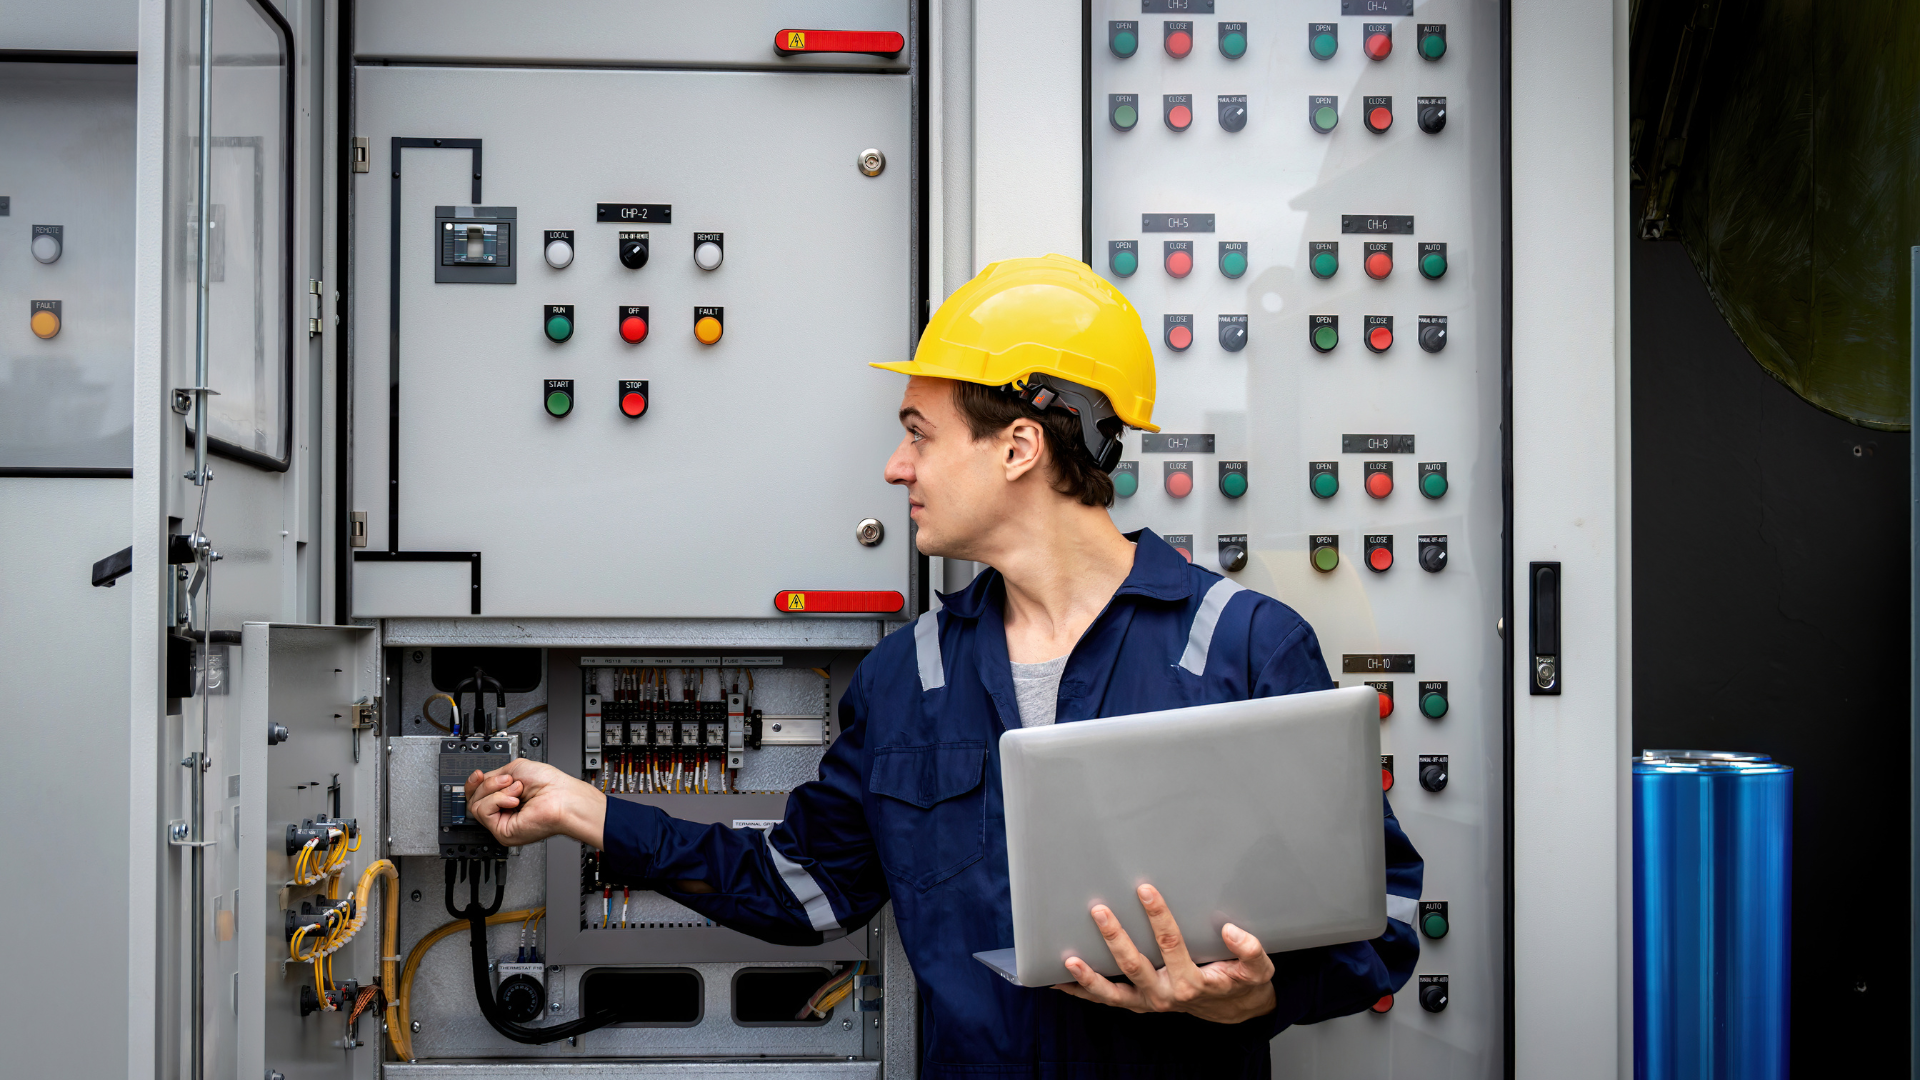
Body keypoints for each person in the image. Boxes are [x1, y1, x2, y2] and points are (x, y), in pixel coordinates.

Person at [464, 255, 1423, 1077]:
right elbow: (802, 888)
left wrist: (1255, 999)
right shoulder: (907, 677)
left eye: (919, 434)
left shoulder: (1243, 644)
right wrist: (583, 811)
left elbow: (1383, 913)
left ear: (1018, 447)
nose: (895, 466)